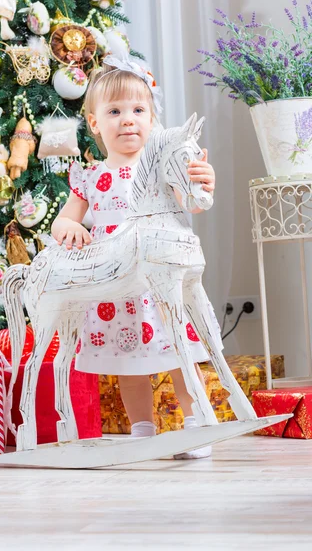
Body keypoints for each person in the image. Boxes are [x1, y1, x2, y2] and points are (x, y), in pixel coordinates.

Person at [51, 56, 216, 459]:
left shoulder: (161, 164)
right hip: (118, 286)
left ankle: (195, 425)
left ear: (152, 119)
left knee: (179, 352)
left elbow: (192, 204)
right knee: (128, 365)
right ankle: (141, 430)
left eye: (138, 110)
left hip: (160, 283)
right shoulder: (89, 177)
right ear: (94, 124)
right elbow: (62, 222)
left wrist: (203, 181)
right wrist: (69, 229)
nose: (128, 120)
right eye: (115, 111)